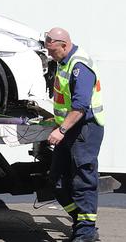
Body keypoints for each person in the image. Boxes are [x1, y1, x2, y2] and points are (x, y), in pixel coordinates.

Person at [45, 27, 105, 242]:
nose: (50, 55)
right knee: (57, 181)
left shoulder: (79, 65)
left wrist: (61, 130)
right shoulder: (63, 62)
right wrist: (56, 121)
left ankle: (85, 234)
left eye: (52, 50)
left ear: (64, 44)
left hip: (85, 130)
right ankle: (81, 223)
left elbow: (80, 106)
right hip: (71, 129)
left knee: (83, 181)